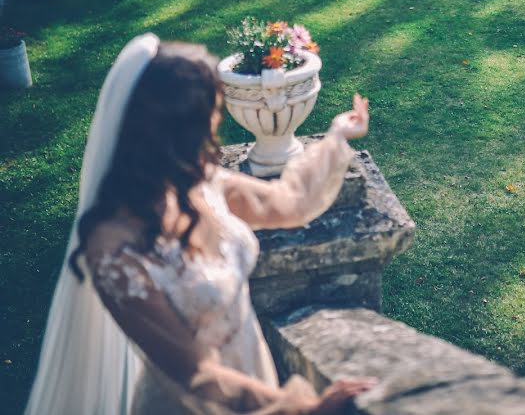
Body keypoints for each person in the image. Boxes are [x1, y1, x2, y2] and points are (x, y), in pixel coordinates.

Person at [25, 34, 377, 415]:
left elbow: (286, 203)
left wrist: (337, 135)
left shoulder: (201, 184)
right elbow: (196, 374)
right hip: (197, 402)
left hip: (254, 368)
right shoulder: (112, 250)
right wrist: (303, 409)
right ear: (169, 131)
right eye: (209, 113)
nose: (216, 122)